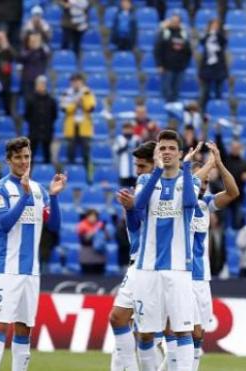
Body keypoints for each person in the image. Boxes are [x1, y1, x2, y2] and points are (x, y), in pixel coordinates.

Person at [0, 137, 66, 371]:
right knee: (1, 325)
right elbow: (3, 223)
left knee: (24, 328)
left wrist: (55, 196)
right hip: (6, 270)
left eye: (27, 157)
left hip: (31, 272)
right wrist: (24, 197)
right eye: (18, 157)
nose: (23, 162)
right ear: (8, 160)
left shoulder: (40, 190)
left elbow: (54, 227)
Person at [132, 130, 201, 370]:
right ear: (156, 152)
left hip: (178, 268)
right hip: (147, 268)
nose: (167, 152)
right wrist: (157, 171)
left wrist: (190, 168)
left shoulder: (190, 179)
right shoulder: (145, 180)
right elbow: (137, 207)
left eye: (172, 148)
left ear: (180, 154)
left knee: (183, 330)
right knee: (145, 334)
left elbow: (190, 204)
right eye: (162, 148)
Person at [176, 142, 238, 370]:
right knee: (182, 330)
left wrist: (219, 164)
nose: (202, 186)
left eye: (204, 182)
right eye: (198, 181)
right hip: (180, 273)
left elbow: (233, 192)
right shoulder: (179, 201)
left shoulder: (206, 204)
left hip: (202, 277)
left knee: (198, 333)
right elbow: (184, 186)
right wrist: (206, 164)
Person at [109, 140, 156, 371]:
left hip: (151, 264)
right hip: (139, 259)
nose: (137, 171)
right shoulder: (143, 183)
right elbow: (136, 225)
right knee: (135, 327)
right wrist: (130, 209)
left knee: (131, 324)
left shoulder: (151, 183)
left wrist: (133, 207)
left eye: (142, 166)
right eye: (136, 166)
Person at [113, 122, 142, 188]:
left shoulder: (136, 139)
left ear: (132, 129)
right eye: (126, 129)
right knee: (123, 190)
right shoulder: (119, 139)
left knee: (135, 190)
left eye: (129, 129)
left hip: (135, 169)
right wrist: (124, 147)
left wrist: (137, 147)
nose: (128, 130)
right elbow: (116, 151)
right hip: (124, 169)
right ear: (123, 130)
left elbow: (141, 152)